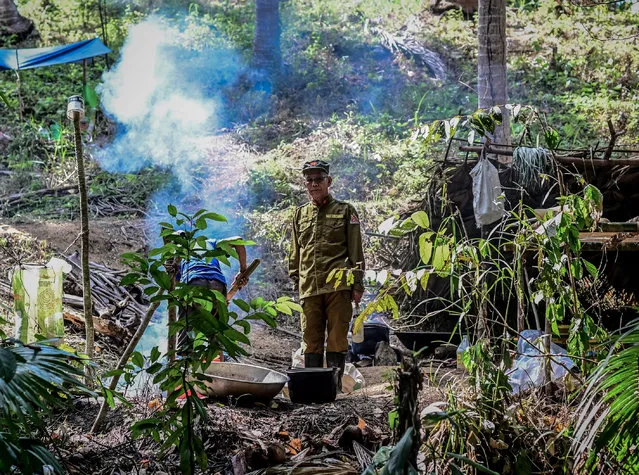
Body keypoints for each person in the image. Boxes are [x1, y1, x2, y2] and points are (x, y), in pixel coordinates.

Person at [289, 159, 365, 389]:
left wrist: (358, 284)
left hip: (338, 287)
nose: (314, 184)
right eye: (309, 180)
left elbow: (356, 249)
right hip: (309, 287)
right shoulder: (300, 214)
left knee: (336, 339)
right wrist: (296, 279)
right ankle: (313, 389)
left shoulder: (345, 211)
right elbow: (295, 252)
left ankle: (334, 389)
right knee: (310, 340)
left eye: (318, 179)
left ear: (328, 181)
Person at [176, 236, 249, 354]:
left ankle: (186, 362)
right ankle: (217, 365)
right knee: (217, 333)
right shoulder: (210, 243)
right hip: (217, 284)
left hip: (193, 283)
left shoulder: (179, 252)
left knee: (187, 327)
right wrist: (243, 271)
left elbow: (176, 286)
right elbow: (238, 240)